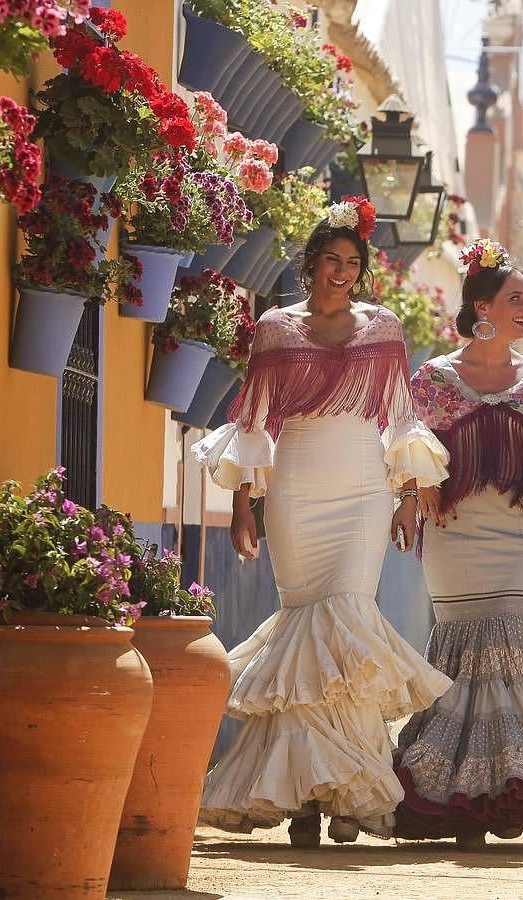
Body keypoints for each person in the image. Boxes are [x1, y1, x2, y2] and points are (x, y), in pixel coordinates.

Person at [193, 198, 453, 846]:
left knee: (349, 628)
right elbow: (253, 423)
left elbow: (398, 415)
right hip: (297, 486)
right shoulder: (276, 328)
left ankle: (348, 794)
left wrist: (405, 495)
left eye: (352, 263)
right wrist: (241, 507)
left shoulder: (384, 327)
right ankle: (307, 800)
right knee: (308, 636)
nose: (342, 271)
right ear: (310, 265)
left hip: (363, 487)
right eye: (331, 260)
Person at [393, 239, 523, 850]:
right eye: (516, 299)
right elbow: (408, 450)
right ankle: (448, 792)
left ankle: (505, 786)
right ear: (481, 306)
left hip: (516, 534)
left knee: (510, 644)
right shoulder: (433, 377)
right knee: (458, 654)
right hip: (453, 536)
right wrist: (413, 494)